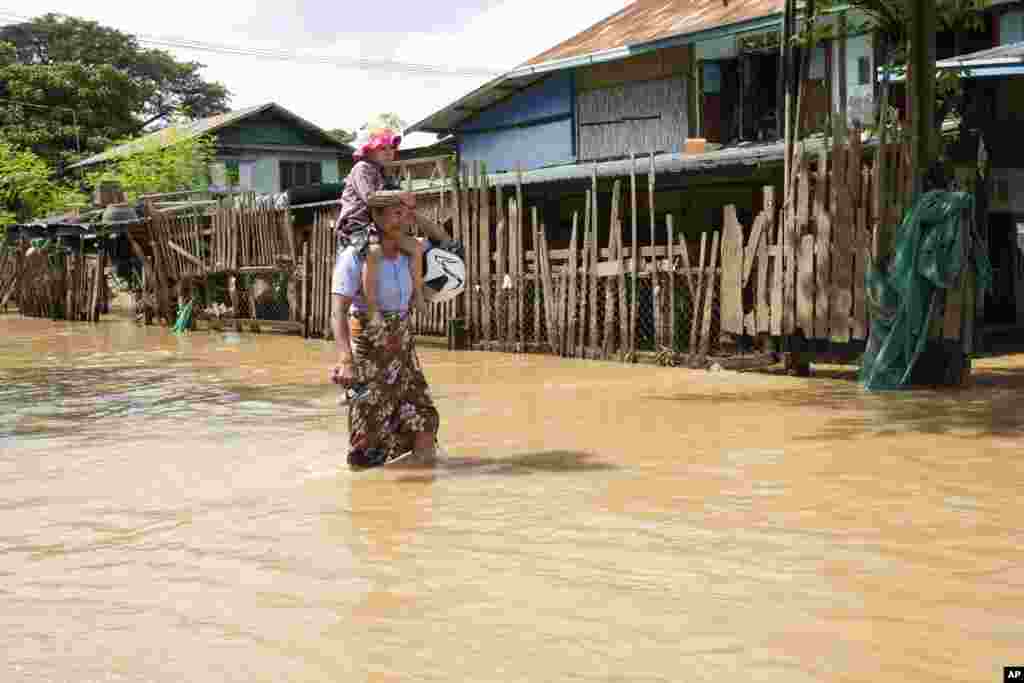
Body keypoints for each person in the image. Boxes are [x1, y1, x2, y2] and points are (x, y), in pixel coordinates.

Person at [330, 191, 440, 470]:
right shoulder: (355, 256)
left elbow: (443, 241)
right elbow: (338, 312)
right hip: (370, 345)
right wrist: (345, 361)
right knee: (370, 430)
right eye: (395, 214)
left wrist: (414, 214)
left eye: (405, 215)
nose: (402, 221)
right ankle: (368, 498)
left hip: (402, 347)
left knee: (423, 417)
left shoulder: (410, 252)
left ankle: (417, 493)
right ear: (376, 217)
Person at [336, 127, 451, 327]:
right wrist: (399, 195)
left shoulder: (383, 172)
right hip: (356, 224)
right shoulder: (361, 168)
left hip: (375, 223)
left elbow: (393, 198)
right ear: (368, 150)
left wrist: (404, 202)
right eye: (383, 148)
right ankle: (372, 308)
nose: (389, 152)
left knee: (415, 247)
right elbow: (370, 197)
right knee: (373, 252)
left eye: (391, 148)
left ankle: (416, 295)